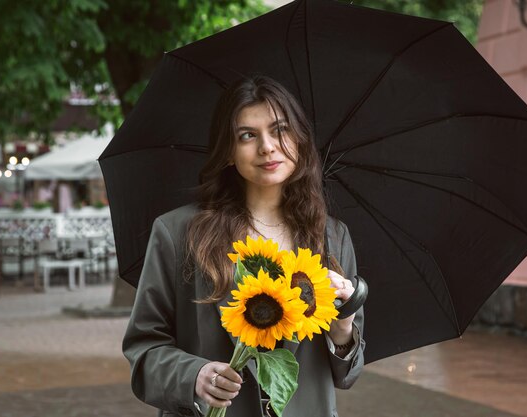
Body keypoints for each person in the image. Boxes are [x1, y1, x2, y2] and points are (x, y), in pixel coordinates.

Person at [123, 75, 365, 417]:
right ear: (228, 151)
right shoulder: (178, 233)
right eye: (247, 135)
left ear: (300, 139)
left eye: (280, 129)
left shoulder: (332, 237)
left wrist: (343, 330)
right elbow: (144, 347)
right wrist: (194, 376)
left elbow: (347, 373)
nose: (267, 146)